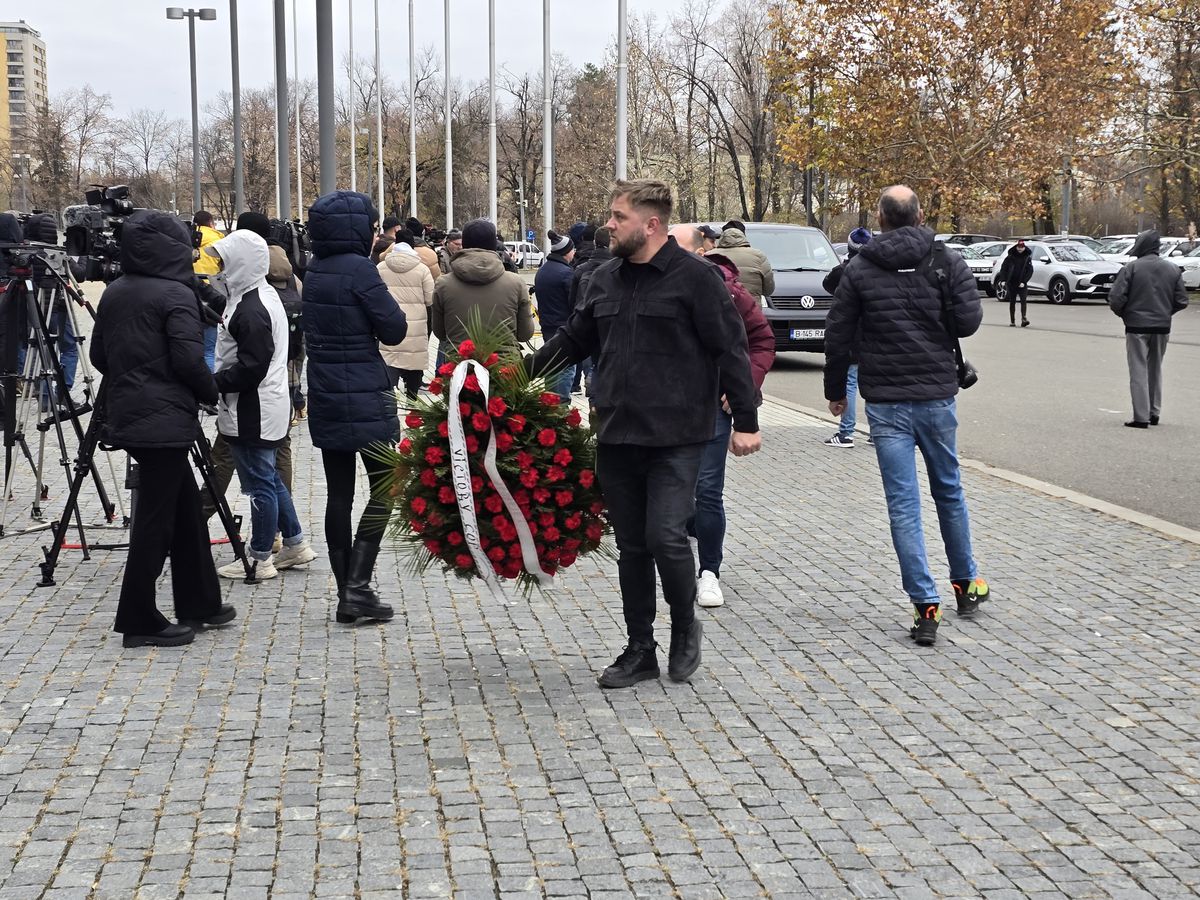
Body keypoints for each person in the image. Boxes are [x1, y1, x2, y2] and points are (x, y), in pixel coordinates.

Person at [529, 179, 763, 689]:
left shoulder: (696, 279)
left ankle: (684, 627)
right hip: (617, 431)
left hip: (678, 434)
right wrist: (513, 378)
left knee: (665, 536)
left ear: (651, 224)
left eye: (619, 217)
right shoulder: (604, 278)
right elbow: (572, 340)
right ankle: (640, 649)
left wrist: (746, 420)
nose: (609, 225)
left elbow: (730, 349)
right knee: (633, 545)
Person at [824, 185, 990, 647]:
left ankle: (925, 604)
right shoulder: (945, 260)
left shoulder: (860, 268)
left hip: (886, 400)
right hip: (936, 396)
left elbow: (838, 334)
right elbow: (968, 322)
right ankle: (966, 583)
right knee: (949, 490)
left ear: (880, 218)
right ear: (919, 216)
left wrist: (836, 391)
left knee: (903, 503)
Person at [89, 211, 235, 648]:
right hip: (164, 417)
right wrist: (211, 391)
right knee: (154, 523)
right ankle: (138, 619)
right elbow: (189, 361)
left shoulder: (115, 291)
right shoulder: (176, 294)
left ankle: (199, 601)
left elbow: (99, 356)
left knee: (185, 508)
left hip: (132, 412)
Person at [303, 190, 409, 623]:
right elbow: (394, 329)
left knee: (339, 494)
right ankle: (357, 587)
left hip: (326, 391)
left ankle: (348, 590)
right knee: (387, 485)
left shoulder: (314, 269)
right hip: (365, 391)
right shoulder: (360, 269)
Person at [669, 224, 775, 610]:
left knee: (708, 490)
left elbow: (762, 340)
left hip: (713, 404)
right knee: (673, 488)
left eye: (677, 248)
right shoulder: (651, 285)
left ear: (702, 251)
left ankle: (709, 571)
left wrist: (743, 384)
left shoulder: (728, 290)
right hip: (664, 407)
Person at [205, 229, 316, 581]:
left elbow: (252, 367)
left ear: (241, 263)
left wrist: (212, 383)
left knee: (259, 484)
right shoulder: (258, 296)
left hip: (252, 407)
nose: (220, 269)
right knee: (268, 477)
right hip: (263, 404)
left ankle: (260, 557)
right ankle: (295, 543)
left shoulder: (252, 308)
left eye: (225, 262)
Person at [1107, 229, 1189, 428]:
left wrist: (1125, 314)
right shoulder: (1172, 269)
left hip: (1136, 326)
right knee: (1155, 369)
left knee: (1138, 369)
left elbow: (1116, 298)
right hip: (1162, 326)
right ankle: (1154, 412)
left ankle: (1141, 417)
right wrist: (1165, 312)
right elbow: (1182, 300)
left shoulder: (1131, 268)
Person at [431, 218, 533, 350]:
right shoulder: (516, 283)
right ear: (494, 244)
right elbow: (525, 334)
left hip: (459, 359)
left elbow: (440, 333)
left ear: (464, 243)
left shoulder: (443, 284)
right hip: (505, 361)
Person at [821, 227, 873, 448]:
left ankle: (846, 433)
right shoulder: (877, 270)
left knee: (850, 383)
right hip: (873, 337)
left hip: (851, 336)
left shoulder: (843, 271)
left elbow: (827, 284)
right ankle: (877, 432)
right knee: (873, 384)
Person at [378, 228, 435, 400]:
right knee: (413, 369)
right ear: (413, 245)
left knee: (389, 373)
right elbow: (430, 299)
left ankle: (390, 406)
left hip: (388, 326)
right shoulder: (422, 269)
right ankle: (412, 403)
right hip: (415, 329)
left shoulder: (380, 267)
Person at [567, 226, 614, 399]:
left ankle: (593, 397)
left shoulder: (581, 269)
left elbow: (572, 301)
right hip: (611, 327)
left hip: (586, 323)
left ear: (595, 242)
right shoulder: (619, 268)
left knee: (595, 363)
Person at [532, 229, 577, 401]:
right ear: (566, 252)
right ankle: (560, 405)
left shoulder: (542, 271)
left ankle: (549, 403)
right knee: (565, 368)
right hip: (563, 327)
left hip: (547, 326)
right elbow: (574, 303)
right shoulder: (566, 273)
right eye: (572, 249)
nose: (574, 252)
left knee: (551, 365)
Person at [193, 210, 224, 370]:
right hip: (213, 296)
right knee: (210, 350)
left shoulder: (188, 241)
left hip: (190, 294)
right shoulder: (218, 241)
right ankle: (211, 381)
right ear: (211, 223)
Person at [714, 224, 775, 300]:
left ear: (722, 237)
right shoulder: (758, 256)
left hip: (719, 305)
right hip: (751, 305)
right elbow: (768, 290)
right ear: (744, 236)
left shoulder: (710, 255)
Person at [997, 239, 1033, 327]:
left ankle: (1024, 318)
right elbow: (1003, 269)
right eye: (1019, 247)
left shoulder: (1027, 258)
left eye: (1022, 247)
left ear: (1024, 248)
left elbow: (1030, 271)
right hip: (1011, 282)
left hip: (1022, 283)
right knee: (1012, 301)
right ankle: (1012, 321)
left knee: (1023, 300)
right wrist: (1003, 280)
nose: (1020, 249)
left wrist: (1024, 281)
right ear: (1016, 247)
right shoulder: (1010, 257)